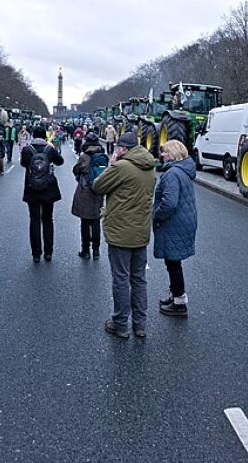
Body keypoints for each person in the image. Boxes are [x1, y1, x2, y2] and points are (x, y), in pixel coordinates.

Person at [92, 131, 156, 338]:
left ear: (122, 149)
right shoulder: (150, 167)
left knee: (121, 279)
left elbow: (98, 186)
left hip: (120, 232)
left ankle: (120, 324)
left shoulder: (121, 167)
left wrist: (112, 164)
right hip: (141, 230)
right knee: (139, 279)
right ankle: (140, 325)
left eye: (118, 147)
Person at [153, 139, 197, 317]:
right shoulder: (183, 171)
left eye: (165, 152)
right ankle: (175, 295)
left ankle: (179, 303)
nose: (162, 155)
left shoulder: (172, 173)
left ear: (174, 154)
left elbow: (169, 203)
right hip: (183, 221)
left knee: (173, 262)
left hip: (174, 222)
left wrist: (157, 214)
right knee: (173, 261)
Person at [21, 130, 65, 262]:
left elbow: (23, 164)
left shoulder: (27, 150)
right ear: (44, 136)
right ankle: (48, 252)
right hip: (48, 188)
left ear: (33, 135)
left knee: (34, 220)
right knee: (48, 219)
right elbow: (60, 162)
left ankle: (36, 254)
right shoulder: (49, 149)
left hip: (32, 188)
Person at [71, 132, 107, 259]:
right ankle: (96, 251)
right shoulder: (102, 156)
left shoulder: (83, 157)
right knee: (96, 222)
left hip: (85, 192)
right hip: (98, 192)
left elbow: (76, 170)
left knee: (85, 222)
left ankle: (85, 250)